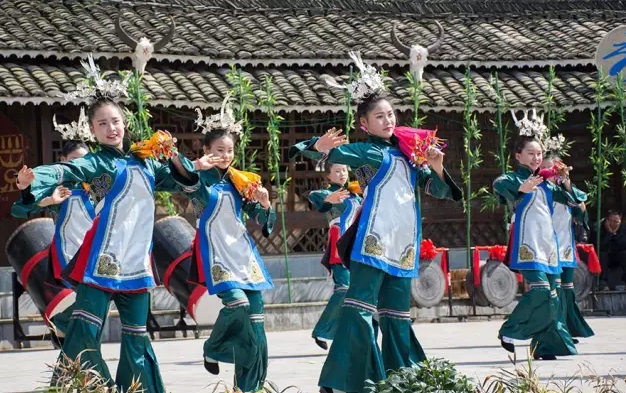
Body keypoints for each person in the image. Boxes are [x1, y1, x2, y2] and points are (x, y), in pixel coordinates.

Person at [290, 52, 462, 393]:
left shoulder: (410, 156)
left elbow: (442, 190)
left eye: (391, 114)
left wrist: (438, 165)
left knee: (397, 316)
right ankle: (343, 380)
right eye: (379, 116)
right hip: (373, 240)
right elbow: (319, 153)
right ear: (364, 124)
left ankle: (402, 380)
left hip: (403, 244)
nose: (388, 120)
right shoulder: (368, 152)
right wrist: (317, 146)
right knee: (359, 309)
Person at [14, 97, 187, 393]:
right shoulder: (97, 163)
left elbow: (182, 180)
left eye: (115, 121)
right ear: (93, 130)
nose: (111, 128)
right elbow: (65, 171)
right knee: (85, 333)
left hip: (135, 266)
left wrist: (174, 156)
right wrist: (32, 181)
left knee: (138, 339)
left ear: (125, 124)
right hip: (99, 263)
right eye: (102, 124)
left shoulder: (145, 163)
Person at [174, 98, 275, 393]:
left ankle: (250, 387)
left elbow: (259, 218)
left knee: (256, 325)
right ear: (206, 151)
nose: (226, 156)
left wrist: (265, 203)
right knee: (239, 305)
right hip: (216, 252)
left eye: (230, 151)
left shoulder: (240, 182)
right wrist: (196, 167)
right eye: (219, 150)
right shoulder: (198, 179)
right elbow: (178, 172)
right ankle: (213, 347)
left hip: (243, 253)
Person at [495, 110, 582, 361]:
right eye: (531, 153)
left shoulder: (546, 183)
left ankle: (544, 346)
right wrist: (520, 189)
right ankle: (509, 331)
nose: (536, 158)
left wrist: (565, 181)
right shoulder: (514, 178)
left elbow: (572, 200)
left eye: (539, 154)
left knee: (553, 297)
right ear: (518, 156)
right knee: (542, 290)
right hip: (528, 244)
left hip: (549, 245)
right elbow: (499, 185)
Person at [12, 140, 92, 342]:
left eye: (85, 161)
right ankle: (69, 342)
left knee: (93, 310)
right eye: (74, 161)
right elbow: (19, 209)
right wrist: (48, 201)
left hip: (97, 255)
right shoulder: (59, 188)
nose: (79, 166)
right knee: (83, 307)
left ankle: (74, 350)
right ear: (63, 160)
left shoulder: (97, 185)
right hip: (70, 256)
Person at [539, 147, 594, 345]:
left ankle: (568, 328)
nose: (548, 172)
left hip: (565, 245)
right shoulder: (539, 189)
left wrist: (567, 185)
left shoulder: (569, 191)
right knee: (552, 290)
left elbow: (581, 214)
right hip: (545, 247)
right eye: (544, 168)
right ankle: (556, 330)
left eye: (553, 169)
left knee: (567, 290)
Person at [308, 163, 362, 350]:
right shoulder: (326, 193)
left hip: (357, 244)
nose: (342, 174)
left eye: (345, 170)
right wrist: (329, 199)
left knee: (361, 291)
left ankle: (355, 334)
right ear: (329, 176)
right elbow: (313, 197)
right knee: (344, 288)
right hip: (340, 242)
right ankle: (322, 330)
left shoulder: (355, 195)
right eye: (337, 171)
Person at [589, 210, 626, 289]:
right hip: (602, 258)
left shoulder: (622, 229)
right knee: (603, 254)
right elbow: (600, 246)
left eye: (616, 222)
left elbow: (622, 244)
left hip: (616, 256)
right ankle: (603, 282)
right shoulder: (598, 228)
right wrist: (609, 233)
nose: (613, 224)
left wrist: (614, 235)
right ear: (607, 220)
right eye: (610, 221)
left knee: (624, 254)